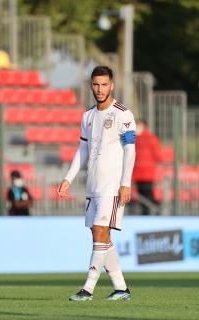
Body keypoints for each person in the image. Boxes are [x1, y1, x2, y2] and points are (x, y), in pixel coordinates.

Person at [57, 66, 136, 301]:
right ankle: (121, 288)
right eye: (96, 84)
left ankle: (88, 288)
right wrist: (68, 178)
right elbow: (82, 149)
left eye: (104, 84)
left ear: (112, 85)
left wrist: (126, 183)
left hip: (112, 186)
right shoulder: (88, 116)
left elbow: (130, 150)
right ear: (91, 85)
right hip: (93, 186)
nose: (100, 89)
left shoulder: (123, 114)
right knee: (100, 235)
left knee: (100, 232)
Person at [132, 119, 163, 215]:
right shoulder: (134, 139)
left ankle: (154, 211)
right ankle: (150, 212)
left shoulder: (150, 138)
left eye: (139, 125)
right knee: (142, 196)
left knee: (147, 195)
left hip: (146, 173)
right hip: (138, 173)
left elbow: (158, 155)